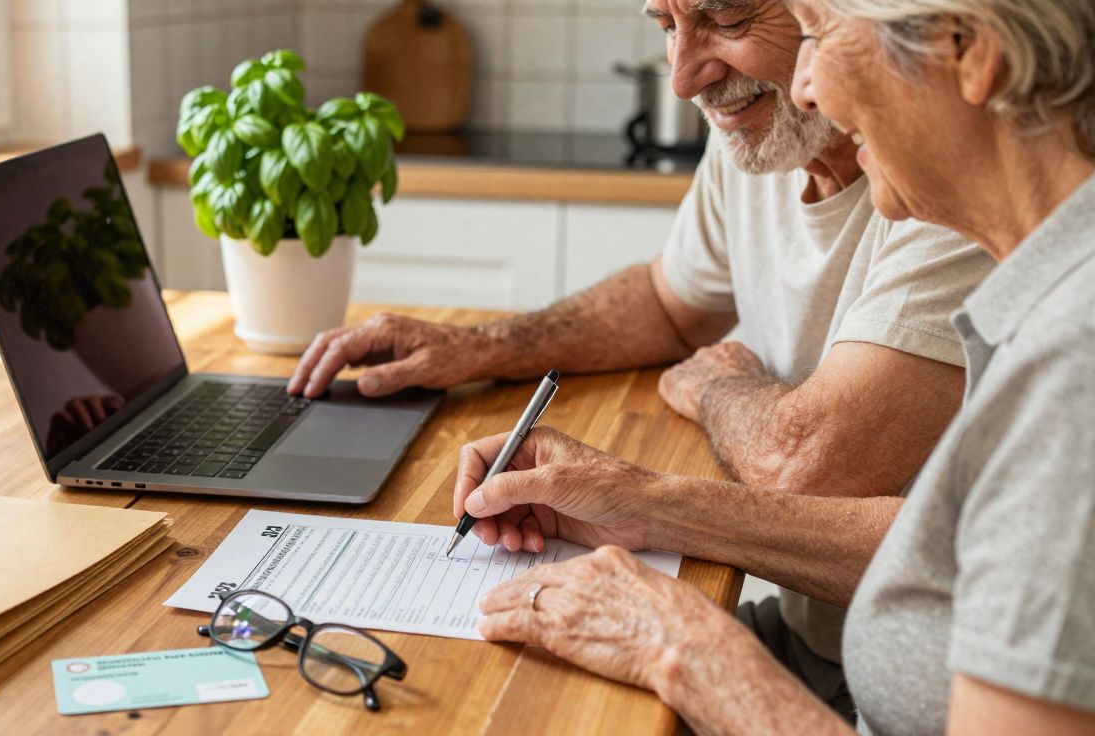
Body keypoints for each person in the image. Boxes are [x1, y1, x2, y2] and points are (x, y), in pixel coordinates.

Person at [288, 0, 993, 714]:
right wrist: (476, 348)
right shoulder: (760, 135)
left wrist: (720, 395)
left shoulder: (947, 178)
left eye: (728, 20)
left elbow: (809, 469)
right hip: (824, 643)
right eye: (665, 26)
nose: (683, 79)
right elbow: (668, 302)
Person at [459, 0, 1095, 732]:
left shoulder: (1068, 368)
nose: (806, 86)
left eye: (821, 33)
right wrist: (643, 507)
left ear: (970, 52)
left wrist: (686, 649)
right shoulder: (1043, 287)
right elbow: (955, 552)